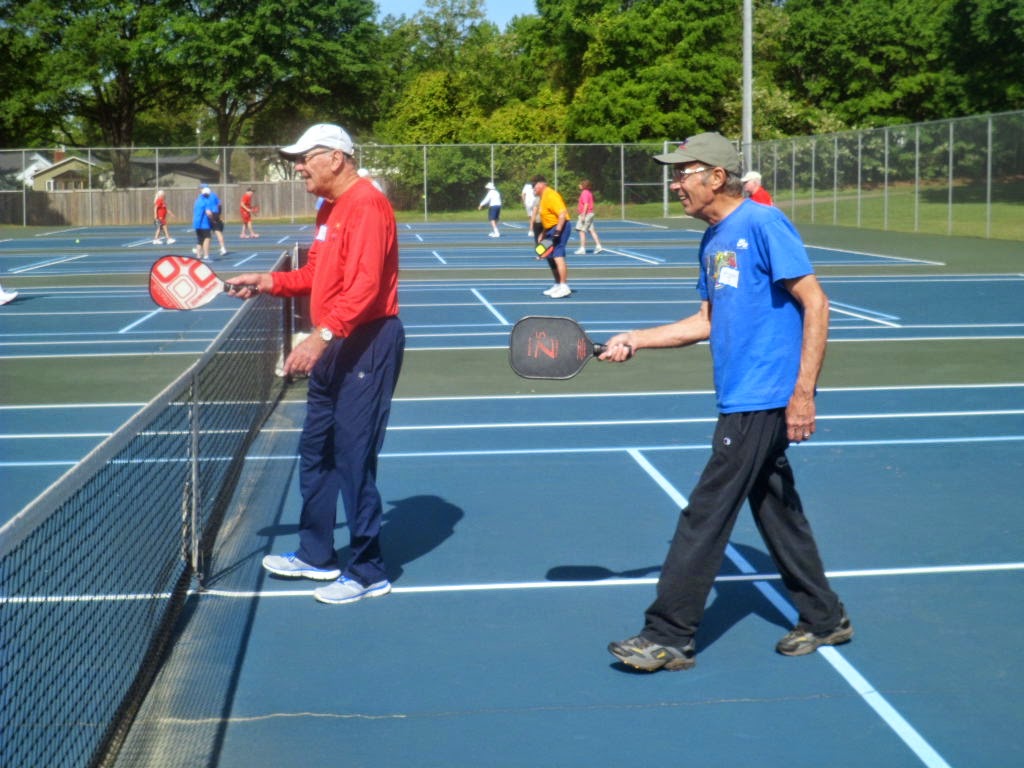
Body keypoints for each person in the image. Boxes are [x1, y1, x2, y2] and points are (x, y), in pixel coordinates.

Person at [602, 132, 851, 672]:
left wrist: (802, 393)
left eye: (683, 172)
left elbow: (816, 302)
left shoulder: (762, 224)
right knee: (776, 510)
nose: (675, 184)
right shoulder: (712, 241)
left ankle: (668, 633)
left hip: (762, 396)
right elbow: (705, 322)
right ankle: (825, 617)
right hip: (741, 394)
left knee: (706, 514)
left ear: (716, 176)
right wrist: (636, 337)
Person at [225, 123, 405, 606]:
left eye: (305, 158)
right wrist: (268, 280)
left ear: (336, 158)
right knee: (317, 450)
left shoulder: (367, 204)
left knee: (352, 457)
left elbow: (365, 289)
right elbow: (316, 274)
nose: (298, 167)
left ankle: (369, 571)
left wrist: (320, 338)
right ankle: (316, 554)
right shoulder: (329, 208)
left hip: (366, 342)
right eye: (296, 159)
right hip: (335, 340)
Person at [530, 175, 573, 298]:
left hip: (560, 227)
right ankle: (558, 284)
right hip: (549, 229)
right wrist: (543, 233)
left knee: (558, 255)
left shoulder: (551, 195)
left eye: (534, 187)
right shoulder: (543, 197)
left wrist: (558, 231)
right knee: (545, 253)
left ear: (540, 185)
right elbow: (548, 217)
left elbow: (562, 214)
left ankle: (564, 286)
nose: (533, 190)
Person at [574, 179, 604, 255]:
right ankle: (599, 246)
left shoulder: (584, 193)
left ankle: (582, 248)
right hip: (590, 214)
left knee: (581, 231)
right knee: (591, 230)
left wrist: (583, 215)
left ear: (584, 186)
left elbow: (586, 204)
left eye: (580, 184)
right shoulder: (589, 193)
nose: (579, 185)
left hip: (586, 214)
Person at [202, 186, 227, 255]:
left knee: (205, 233)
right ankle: (222, 248)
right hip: (215, 214)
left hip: (209, 215)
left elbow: (204, 208)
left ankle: (200, 248)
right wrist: (219, 214)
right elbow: (219, 204)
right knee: (217, 231)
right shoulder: (214, 195)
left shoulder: (203, 197)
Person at [191, 187, 213, 259]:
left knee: (200, 240)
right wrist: (213, 219)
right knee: (207, 238)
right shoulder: (206, 201)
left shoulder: (197, 200)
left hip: (197, 223)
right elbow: (208, 213)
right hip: (204, 224)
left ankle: (198, 255)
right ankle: (206, 255)